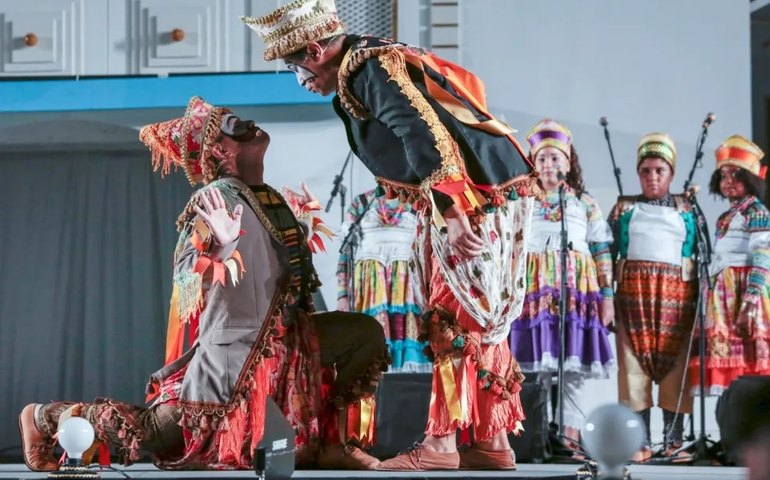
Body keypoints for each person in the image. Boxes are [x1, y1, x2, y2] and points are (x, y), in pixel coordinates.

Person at [18, 96, 389, 472]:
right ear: (219, 151)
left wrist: (300, 235)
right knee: (153, 433)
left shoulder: (267, 195)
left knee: (363, 334)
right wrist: (222, 248)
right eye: (232, 124)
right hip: (234, 360)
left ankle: (333, 443)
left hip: (288, 344)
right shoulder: (213, 197)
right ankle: (43, 417)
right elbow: (185, 270)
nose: (248, 122)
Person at [243, 0, 537, 470]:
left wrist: (452, 210)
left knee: (452, 315)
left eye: (295, 66)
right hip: (480, 195)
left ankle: (441, 446)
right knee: (478, 316)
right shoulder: (376, 58)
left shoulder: (367, 69)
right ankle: (492, 440)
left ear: (316, 50)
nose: (300, 79)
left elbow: (423, 133)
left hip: (464, 200)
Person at [509, 119, 615, 455]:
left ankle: (569, 435)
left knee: (572, 368)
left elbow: (600, 249)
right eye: (541, 159)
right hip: (535, 292)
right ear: (532, 164)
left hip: (576, 294)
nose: (548, 165)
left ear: (568, 163)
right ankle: (538, 436)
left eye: (555, 158)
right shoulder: (522, 201)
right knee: (540, 365)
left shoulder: (583, 202)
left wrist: (607, 296)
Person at [608, 133, 700, 461]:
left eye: (659, 170)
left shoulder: (687, 209)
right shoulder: (623, 208)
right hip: (633, 301)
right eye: (645, 170)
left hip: (678, 302)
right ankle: (638, 441)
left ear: (671, 173)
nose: (652, 177)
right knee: (633, 370)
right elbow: (608, 252)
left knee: (677, 369)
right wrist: (605, 296)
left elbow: (701, 257)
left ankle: (674, 441)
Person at [689, 135, 770, 396]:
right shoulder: (727, 216)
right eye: (723, 176)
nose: (728, 182)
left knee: (749, 367)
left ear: (750, 178)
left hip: (744, 295)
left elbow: (762, 257)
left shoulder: (756, 212)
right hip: (724, 296)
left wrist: (750, 300)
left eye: (735, 175)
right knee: (730, 374)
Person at [336, 188, 431, 373]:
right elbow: (345, 253)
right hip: (372, 287)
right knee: (374, 341)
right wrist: (342, 295)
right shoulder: (361, 203)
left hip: (407, 286)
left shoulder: (417, 200)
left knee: (408, 340)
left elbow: (427, 245)